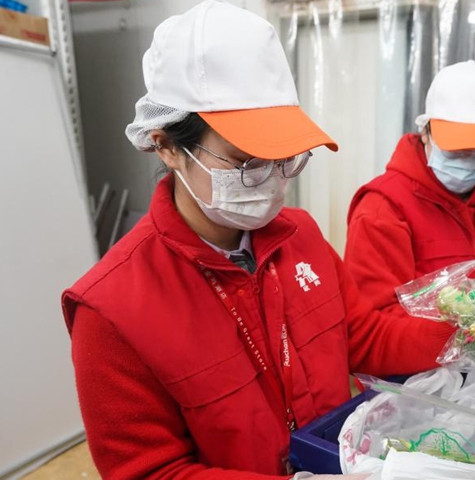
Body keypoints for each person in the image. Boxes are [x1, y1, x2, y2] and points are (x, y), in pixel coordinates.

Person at [61, 2, 452, 479]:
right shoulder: (112, 311)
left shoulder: (301, 236)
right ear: (166, 146)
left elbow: (362, 338)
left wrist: (467, 335)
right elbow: (151, 472)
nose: (271, 179)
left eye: (285, 157)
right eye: (246, 162)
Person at [344, 61, 475, 318]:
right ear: (425, 132)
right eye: (457, 150)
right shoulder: (383, 209)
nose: (468, 161)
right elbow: (375, 322)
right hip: (427, 357)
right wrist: (464, 332)